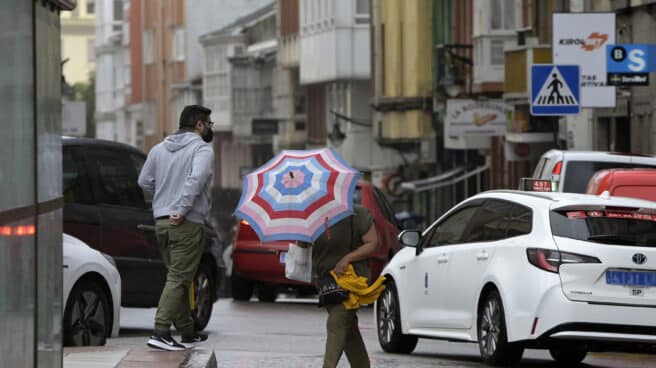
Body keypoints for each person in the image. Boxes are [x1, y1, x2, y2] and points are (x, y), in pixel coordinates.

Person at [138, 105, 215, 351]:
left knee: (179, 277)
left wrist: (163, 201)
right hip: (186, 222)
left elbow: (144, 181)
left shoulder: (159, 149)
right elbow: (196, 179)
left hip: (161, 222)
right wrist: (180, 209)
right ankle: (160, 331)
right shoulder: (202, 149)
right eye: (209, 124)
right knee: (180, 277)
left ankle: (187, 331)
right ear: (199, 125)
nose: (210, 128)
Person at [302, 204, 379, 368]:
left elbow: (372, 243)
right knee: (348, 330)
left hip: (351, 280)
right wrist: (301, 231)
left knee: (337, 324)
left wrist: (348, 258)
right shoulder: (313, 216)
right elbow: (303, 245)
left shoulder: (357, 213)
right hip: (327, 282)